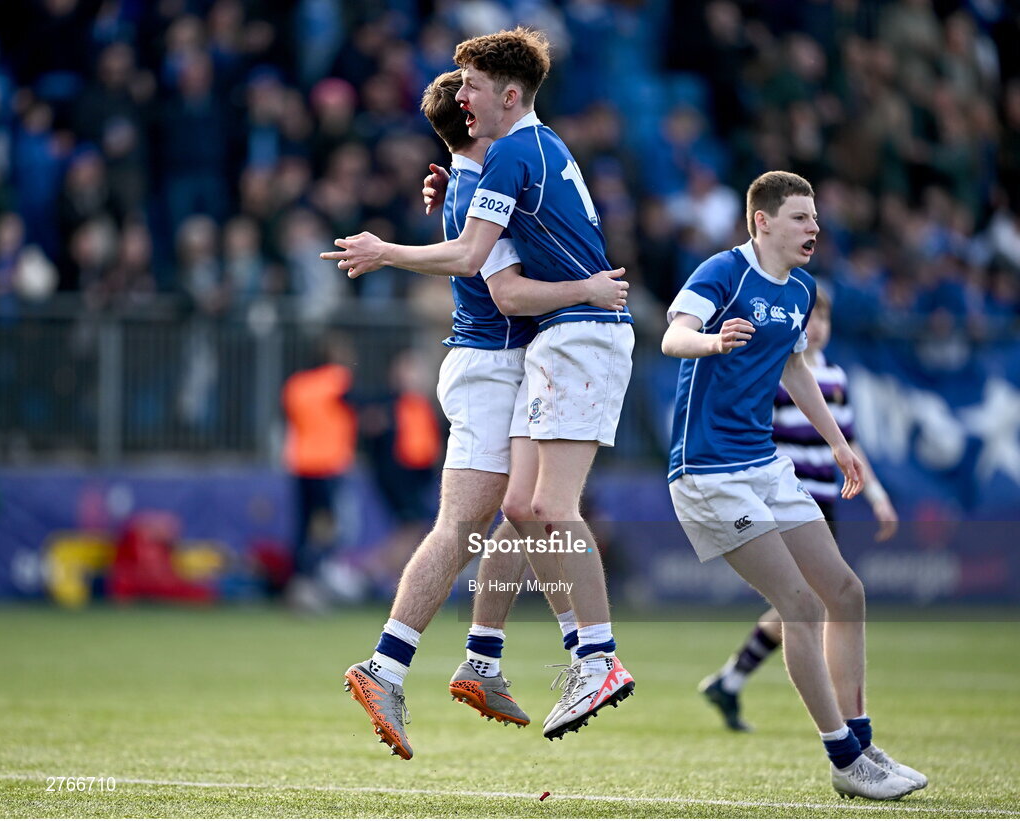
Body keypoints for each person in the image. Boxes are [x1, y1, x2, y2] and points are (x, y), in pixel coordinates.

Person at [324, 28, 636, 751]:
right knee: (485, 520)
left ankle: (483, 658)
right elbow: (498, 284)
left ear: (502, 98)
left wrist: (404, 233)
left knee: (520, 512)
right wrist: (586, 285)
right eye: (460, 90)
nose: (465, 96)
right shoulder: (497, 169)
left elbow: (480, 253)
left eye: (471, 85)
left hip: (513, 358)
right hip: (495, 361)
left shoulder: (496, 169)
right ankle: (412, 663)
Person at [661, 170, 926, 800]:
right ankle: (844, 760)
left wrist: (840, 447)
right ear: (763, 222)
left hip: (763, 465)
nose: (814, 228)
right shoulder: (722, 273)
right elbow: (671, 338)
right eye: (801, 217)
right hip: (707, 471)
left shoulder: (803, 289)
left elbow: (795, 366)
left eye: (814, 217)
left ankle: (861, 743)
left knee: (846, 592)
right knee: (800, 607)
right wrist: (711, 340)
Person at [699, 285, 900, 732]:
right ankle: (840, 719)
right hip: (786, 498)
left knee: (813, 601)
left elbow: (850, 443)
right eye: (812, 319)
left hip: (822, 503)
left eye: (826, 319)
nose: (819, 327)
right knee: (815, 601)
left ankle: (731, 680)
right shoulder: (778, 370)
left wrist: (878, 495)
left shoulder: (838, 379)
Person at [281, 334, 357, 612]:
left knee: (302, 526)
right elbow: (356, 406)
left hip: (300, 462)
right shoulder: (337, 379)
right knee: (330, 527)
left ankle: (299, 582)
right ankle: (315, 578)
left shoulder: (296, 384)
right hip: (328, 464)